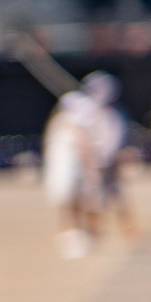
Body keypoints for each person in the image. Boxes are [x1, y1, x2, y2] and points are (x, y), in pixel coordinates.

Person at [76, 72, 134, 246]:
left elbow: (115, 140)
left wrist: (107, 158)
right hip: (92, 163)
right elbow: (82, 138)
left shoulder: (113, 115)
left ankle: (128, 231)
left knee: (116, 195)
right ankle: (93, 231)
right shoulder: (86, 112)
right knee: (90, 197)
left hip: (108, 162)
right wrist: (89, 158)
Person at [43, 87, 94, 259]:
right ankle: (72, 234)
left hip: (61, 170)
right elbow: (83, 148)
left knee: (67, 205)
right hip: (68, 170)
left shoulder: (57, 124)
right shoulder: (71, 126)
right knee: (72, 203)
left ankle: (71, 234)